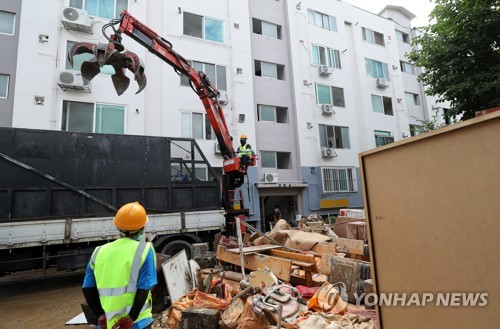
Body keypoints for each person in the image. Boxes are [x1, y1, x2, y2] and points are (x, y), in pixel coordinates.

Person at [82, 202, 157, 329]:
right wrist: (130, 318)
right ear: (142, 228)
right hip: (137, 322)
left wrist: (100, 315)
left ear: (117, 227)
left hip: (108, 323)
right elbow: (144, 289)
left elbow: (88, 288)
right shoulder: (144, 249)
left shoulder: (98, 251)